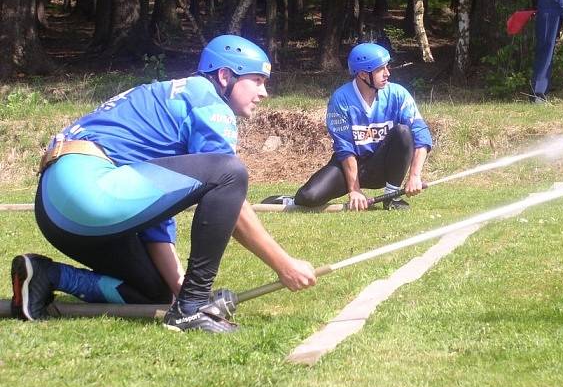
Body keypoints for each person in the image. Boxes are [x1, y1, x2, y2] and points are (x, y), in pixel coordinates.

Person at [10, 35, 317, 333]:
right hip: (87, 193)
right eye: (258, 81)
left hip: (57, 209)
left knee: (156, 295)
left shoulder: (167, 97)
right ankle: (193, 308)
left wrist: (177, 291)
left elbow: (155, 214)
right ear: (225, 75)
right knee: (230, 172)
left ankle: (47, 275)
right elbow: (230, 193)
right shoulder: (207, 102)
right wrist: (283, 264)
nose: (264, 93)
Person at [286, 42, 432, 211]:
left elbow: (421, 134)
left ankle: (392, 197)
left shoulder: (398, 93)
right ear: (363, 74)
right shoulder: (340, 99)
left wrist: (414, 176)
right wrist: (354, 190)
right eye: (380, 69)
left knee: (403, 132)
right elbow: (344, 148)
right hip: (352, 165)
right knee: (308, 196)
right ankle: (287, 200)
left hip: (382, 165)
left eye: (387, 67)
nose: (387, 73)